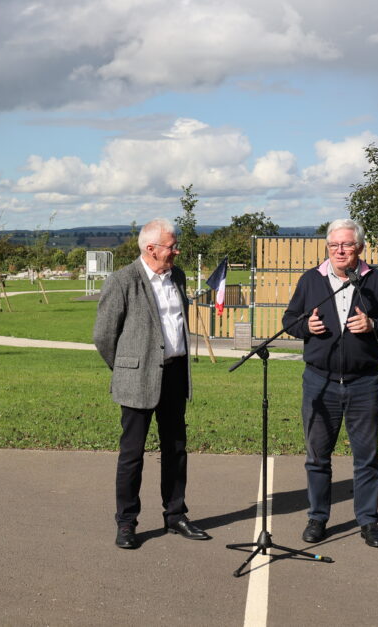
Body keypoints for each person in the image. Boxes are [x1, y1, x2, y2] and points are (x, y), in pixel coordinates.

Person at [282, 218, 378, 548]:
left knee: (366, 458)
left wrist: (374, 324)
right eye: (334, 245)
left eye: (347, 245)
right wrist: (305, 326)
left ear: (360, 248)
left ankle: (368, 521)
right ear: (327, 247)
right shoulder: (311, 280)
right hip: (319, 383)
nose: (340, 250)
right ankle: (318, 517)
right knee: (317, 456)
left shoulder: (375, 281)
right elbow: (288, 321)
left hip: (363, 383)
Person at [93, 218, 210, 549]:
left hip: (174, 373)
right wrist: (125, 368)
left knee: (175, 449)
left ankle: (176, 516)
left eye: (175, 245)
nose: (176, 251)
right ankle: (127, 522)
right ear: (150, 249)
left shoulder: (179, 276)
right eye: (171, 246)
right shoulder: (122, 280)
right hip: (137, 378)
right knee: (132, 454)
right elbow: (103, 335)